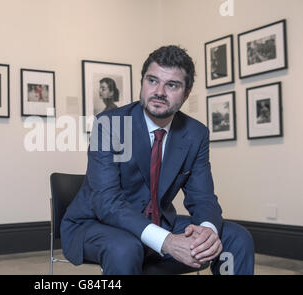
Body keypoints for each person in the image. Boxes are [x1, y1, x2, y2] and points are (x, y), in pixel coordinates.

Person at [60, 45, 255, 275]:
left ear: (186, 93)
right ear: (142, 82)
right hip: (96, 224)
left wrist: (207, 231)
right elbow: (107, 203)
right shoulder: (110, 124)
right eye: (152, 80)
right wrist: (167, 241)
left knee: (236, 237)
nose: (159, 91)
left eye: (171, 85)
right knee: (126, 248)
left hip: (159, 222)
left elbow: (202, 197)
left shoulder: (195, 134)